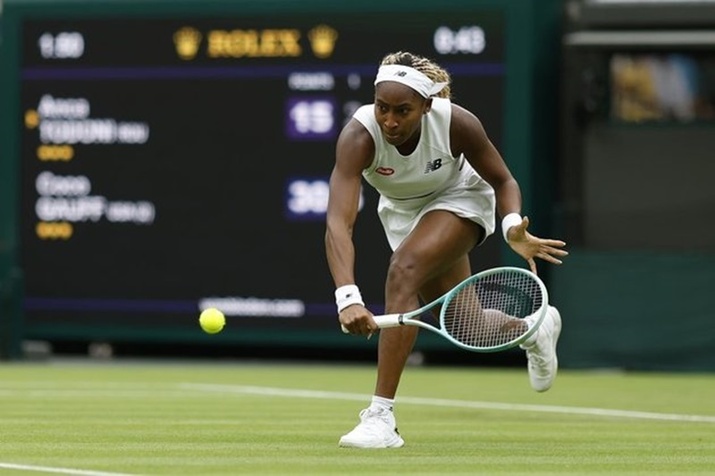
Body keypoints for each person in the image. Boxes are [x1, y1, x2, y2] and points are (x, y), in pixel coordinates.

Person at [324, 51, 568, 449]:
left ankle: (381, 417)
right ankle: (533, 328)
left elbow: (503, 180)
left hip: (461, 198)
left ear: (427, 105)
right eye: (382, 108)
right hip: (404, 214)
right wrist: (346, 296)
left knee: (402, 269)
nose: (390, 120)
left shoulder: (457, 123)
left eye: (402, 110)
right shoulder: (358, 136)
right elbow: (339, 221)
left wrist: (511, 226)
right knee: (463, 323)